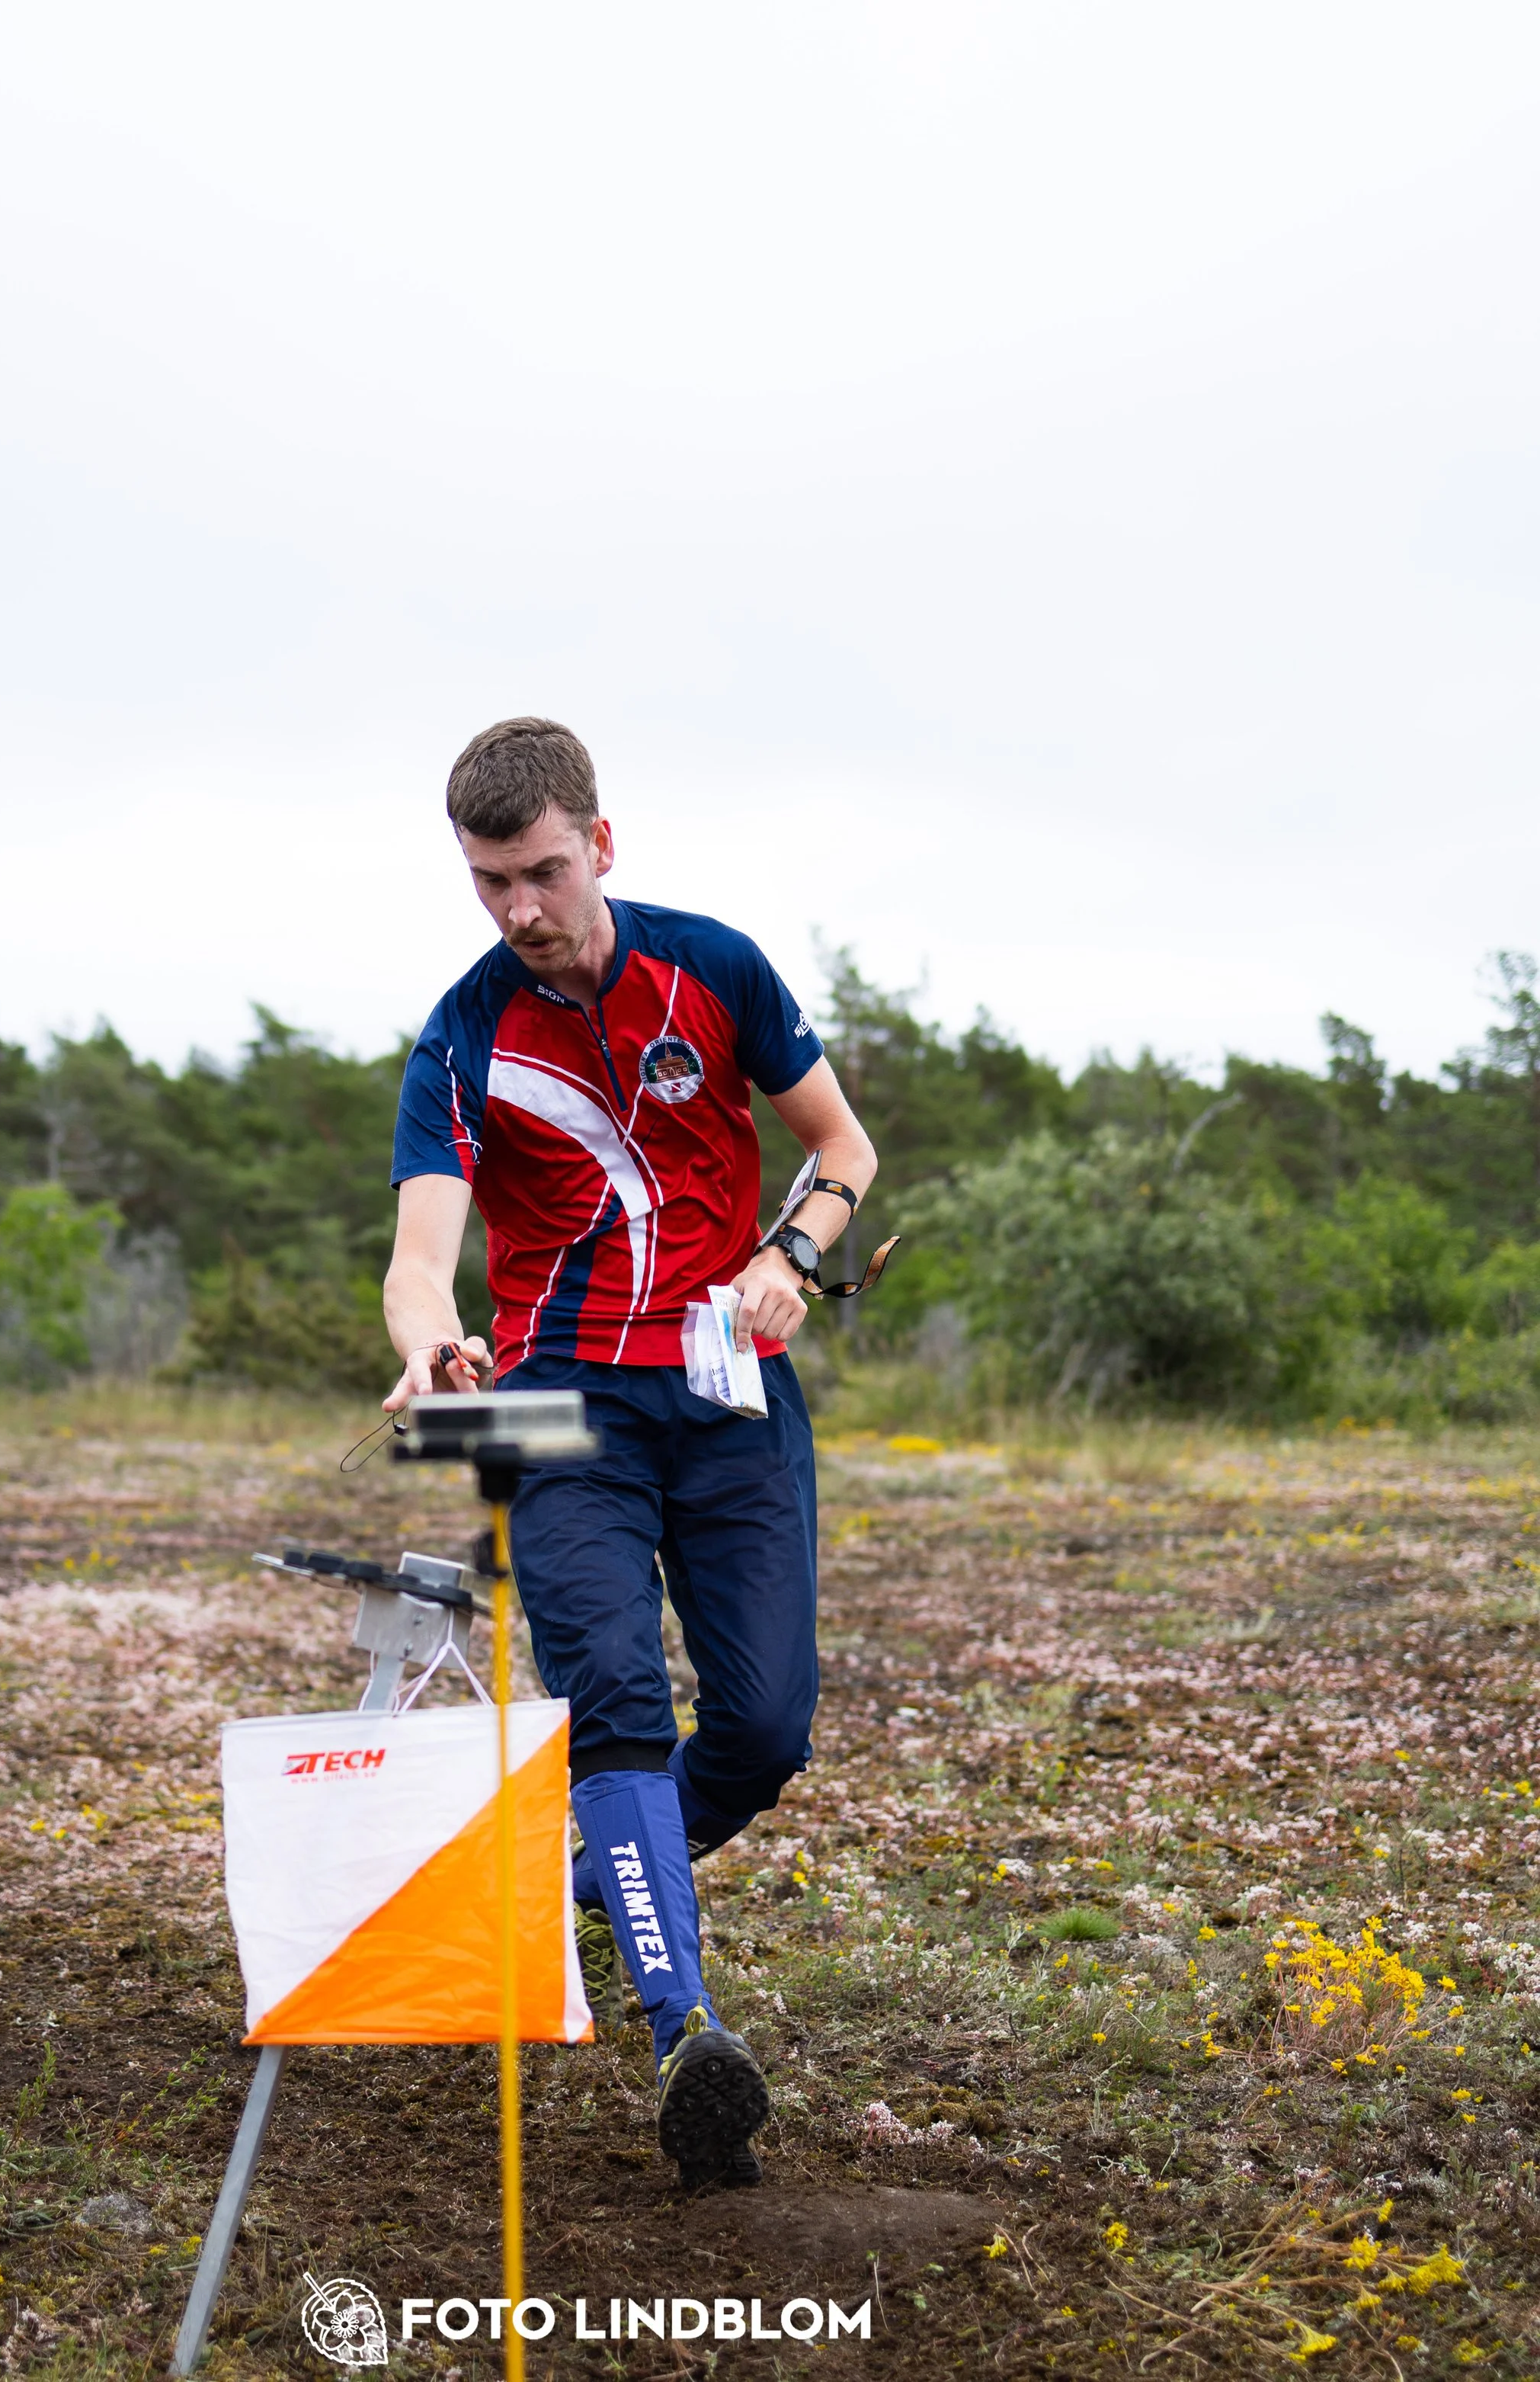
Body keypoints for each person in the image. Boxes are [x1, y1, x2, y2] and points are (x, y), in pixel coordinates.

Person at [383, 717, 876, 2189]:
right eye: (488, 884)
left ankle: (590, 1881)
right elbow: (421, 1258)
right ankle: (688, 2034)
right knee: (613, 1706)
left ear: (601, 844)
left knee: (768, 1730)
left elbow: (841, 1150)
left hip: (732, 1395)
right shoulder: (465, 1032)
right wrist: (428, 1346)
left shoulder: (714, 967)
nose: (519, 911)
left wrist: (792, 1253)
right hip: (555, 1407)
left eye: (539, 872)